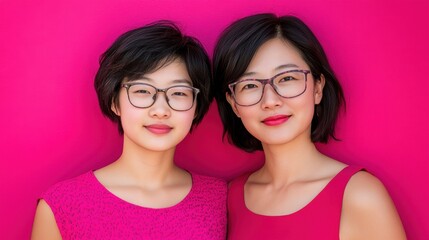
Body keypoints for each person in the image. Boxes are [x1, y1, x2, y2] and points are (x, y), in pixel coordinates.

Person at [213, 13, 406, 239]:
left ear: (317, 88)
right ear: (233, 104)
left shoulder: (359, 195)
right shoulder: (230, 197)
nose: (270, 101)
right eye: (249, 85)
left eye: (286, 78)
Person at [31, 21, 226, 239]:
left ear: (196, 106)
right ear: (115, 102)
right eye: (142, 90)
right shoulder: (61, 205)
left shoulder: (219, 198)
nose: (160, 110)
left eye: (179, 93)